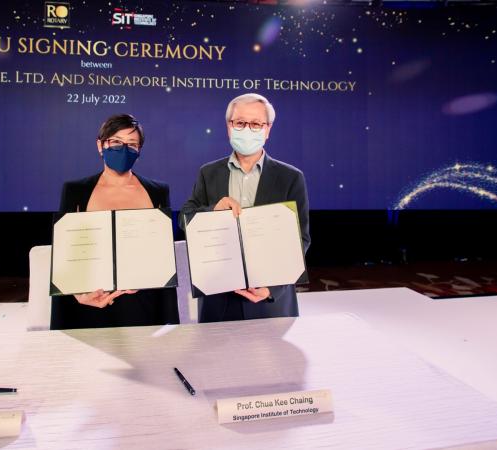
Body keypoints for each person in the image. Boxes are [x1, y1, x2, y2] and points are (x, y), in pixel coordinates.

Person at [180, 93, 310, 322]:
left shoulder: (291, 177)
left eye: (256, 124)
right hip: (218, 300)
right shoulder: (208, 173)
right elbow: (185, 219)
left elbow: (301, 240)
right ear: (229, 127)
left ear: (268, 129)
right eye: (240, 122)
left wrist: (272, 288)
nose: (247, 129)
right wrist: (213, 211)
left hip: (271, 304)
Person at [51, 114, 179, 330]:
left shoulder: (157, 191)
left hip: (143, 303)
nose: (124, 149)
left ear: (139, 150)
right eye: (116, 142)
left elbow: (163, 252)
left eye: (132, 144)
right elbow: (65, 252)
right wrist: (78, 294)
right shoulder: (75, 191)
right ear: (100, 145)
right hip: (92, 302)